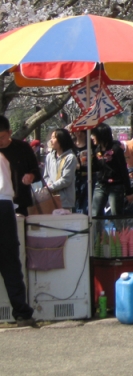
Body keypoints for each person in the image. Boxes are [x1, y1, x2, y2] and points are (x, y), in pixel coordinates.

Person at [0, 115, 38, 327]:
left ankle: (22, 312)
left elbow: (36, 171)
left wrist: (31, 176)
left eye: (3, 137)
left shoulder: (21, 149)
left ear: (10, 133)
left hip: (12, 204)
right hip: (6, 205)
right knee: (10, 261)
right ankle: (22, 312)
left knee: (11, 260)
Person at [91, 123, 133, 218]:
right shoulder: (96, 149)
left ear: (101, 135)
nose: (92, 137)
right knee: (95, 214)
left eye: (94, 135)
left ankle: (120, 233)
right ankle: (99, 232)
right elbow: (96, 168)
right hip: (101, 185)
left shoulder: (116, 149)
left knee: (116, 215)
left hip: (115, 186)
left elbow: (123, 170)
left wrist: (128, 191)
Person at [42, 128, 77, 212]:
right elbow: (46, 175)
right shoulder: (49, 156)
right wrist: (49, 184)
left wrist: (51, 188)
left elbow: (66, 180)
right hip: (50, 199)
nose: (51, 140)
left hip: (65, 201)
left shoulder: (70, 157)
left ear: (61, 140)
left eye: (54, 137)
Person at [73, 129, 89, 214]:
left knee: (85, 201)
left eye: (81, 132)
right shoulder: (71, 146)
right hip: (75, 177)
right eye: (77, 131)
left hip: (88, 177)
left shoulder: (90, 145)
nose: (78, 134)